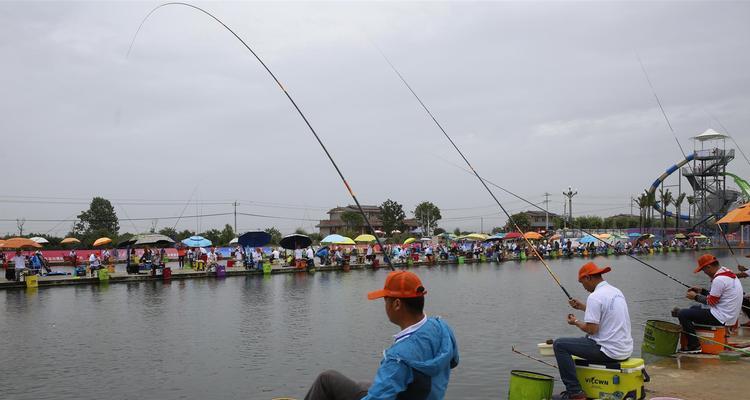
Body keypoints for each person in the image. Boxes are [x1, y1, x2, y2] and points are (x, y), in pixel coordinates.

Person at [304, 270, 459, 400]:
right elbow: (453, 361)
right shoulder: (441, 326)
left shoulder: (398, 358)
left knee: (326, 379)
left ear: (397, 304)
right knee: (364, 385)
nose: (385, 306)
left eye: (386, 300)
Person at [552, 262, 633, 400]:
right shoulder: (615, 291)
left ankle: (575, 393)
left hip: (609, 352)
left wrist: (576, 322)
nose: (583, 287)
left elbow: (592, 330)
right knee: (583, 339)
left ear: (588, 278)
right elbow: (605, 313)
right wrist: (583, 307)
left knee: (559, 345)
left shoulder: (595, 297)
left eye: (582, 282)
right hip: (625, 349)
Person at [672, 254, 744, 352]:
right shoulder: (727, 272)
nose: (704, 273)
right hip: (730, 316)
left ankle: (694, 346)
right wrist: (701, 291)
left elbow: (711, 302)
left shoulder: (719, 280)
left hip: (722, 318)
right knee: (693, 308)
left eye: (704, 270)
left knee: (683, 314)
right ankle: (695, 340)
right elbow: (718, 297)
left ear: (709, 267)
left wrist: (695, 297)